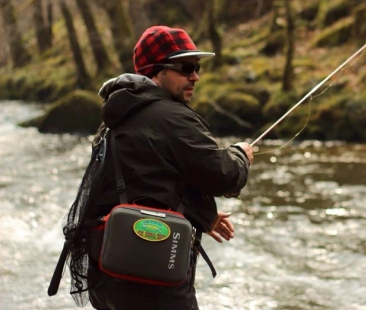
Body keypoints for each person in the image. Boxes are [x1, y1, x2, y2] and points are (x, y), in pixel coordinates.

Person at [56, 25, 253, 310]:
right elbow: (223, 176)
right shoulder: (172, 117)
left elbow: (147, 186)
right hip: (153, 279)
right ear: (156, 71)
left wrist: (204, 215)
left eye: (196, 67)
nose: (195, 76)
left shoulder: (117, 116)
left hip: (108, 275)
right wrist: (240, 155)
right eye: (186, 67)